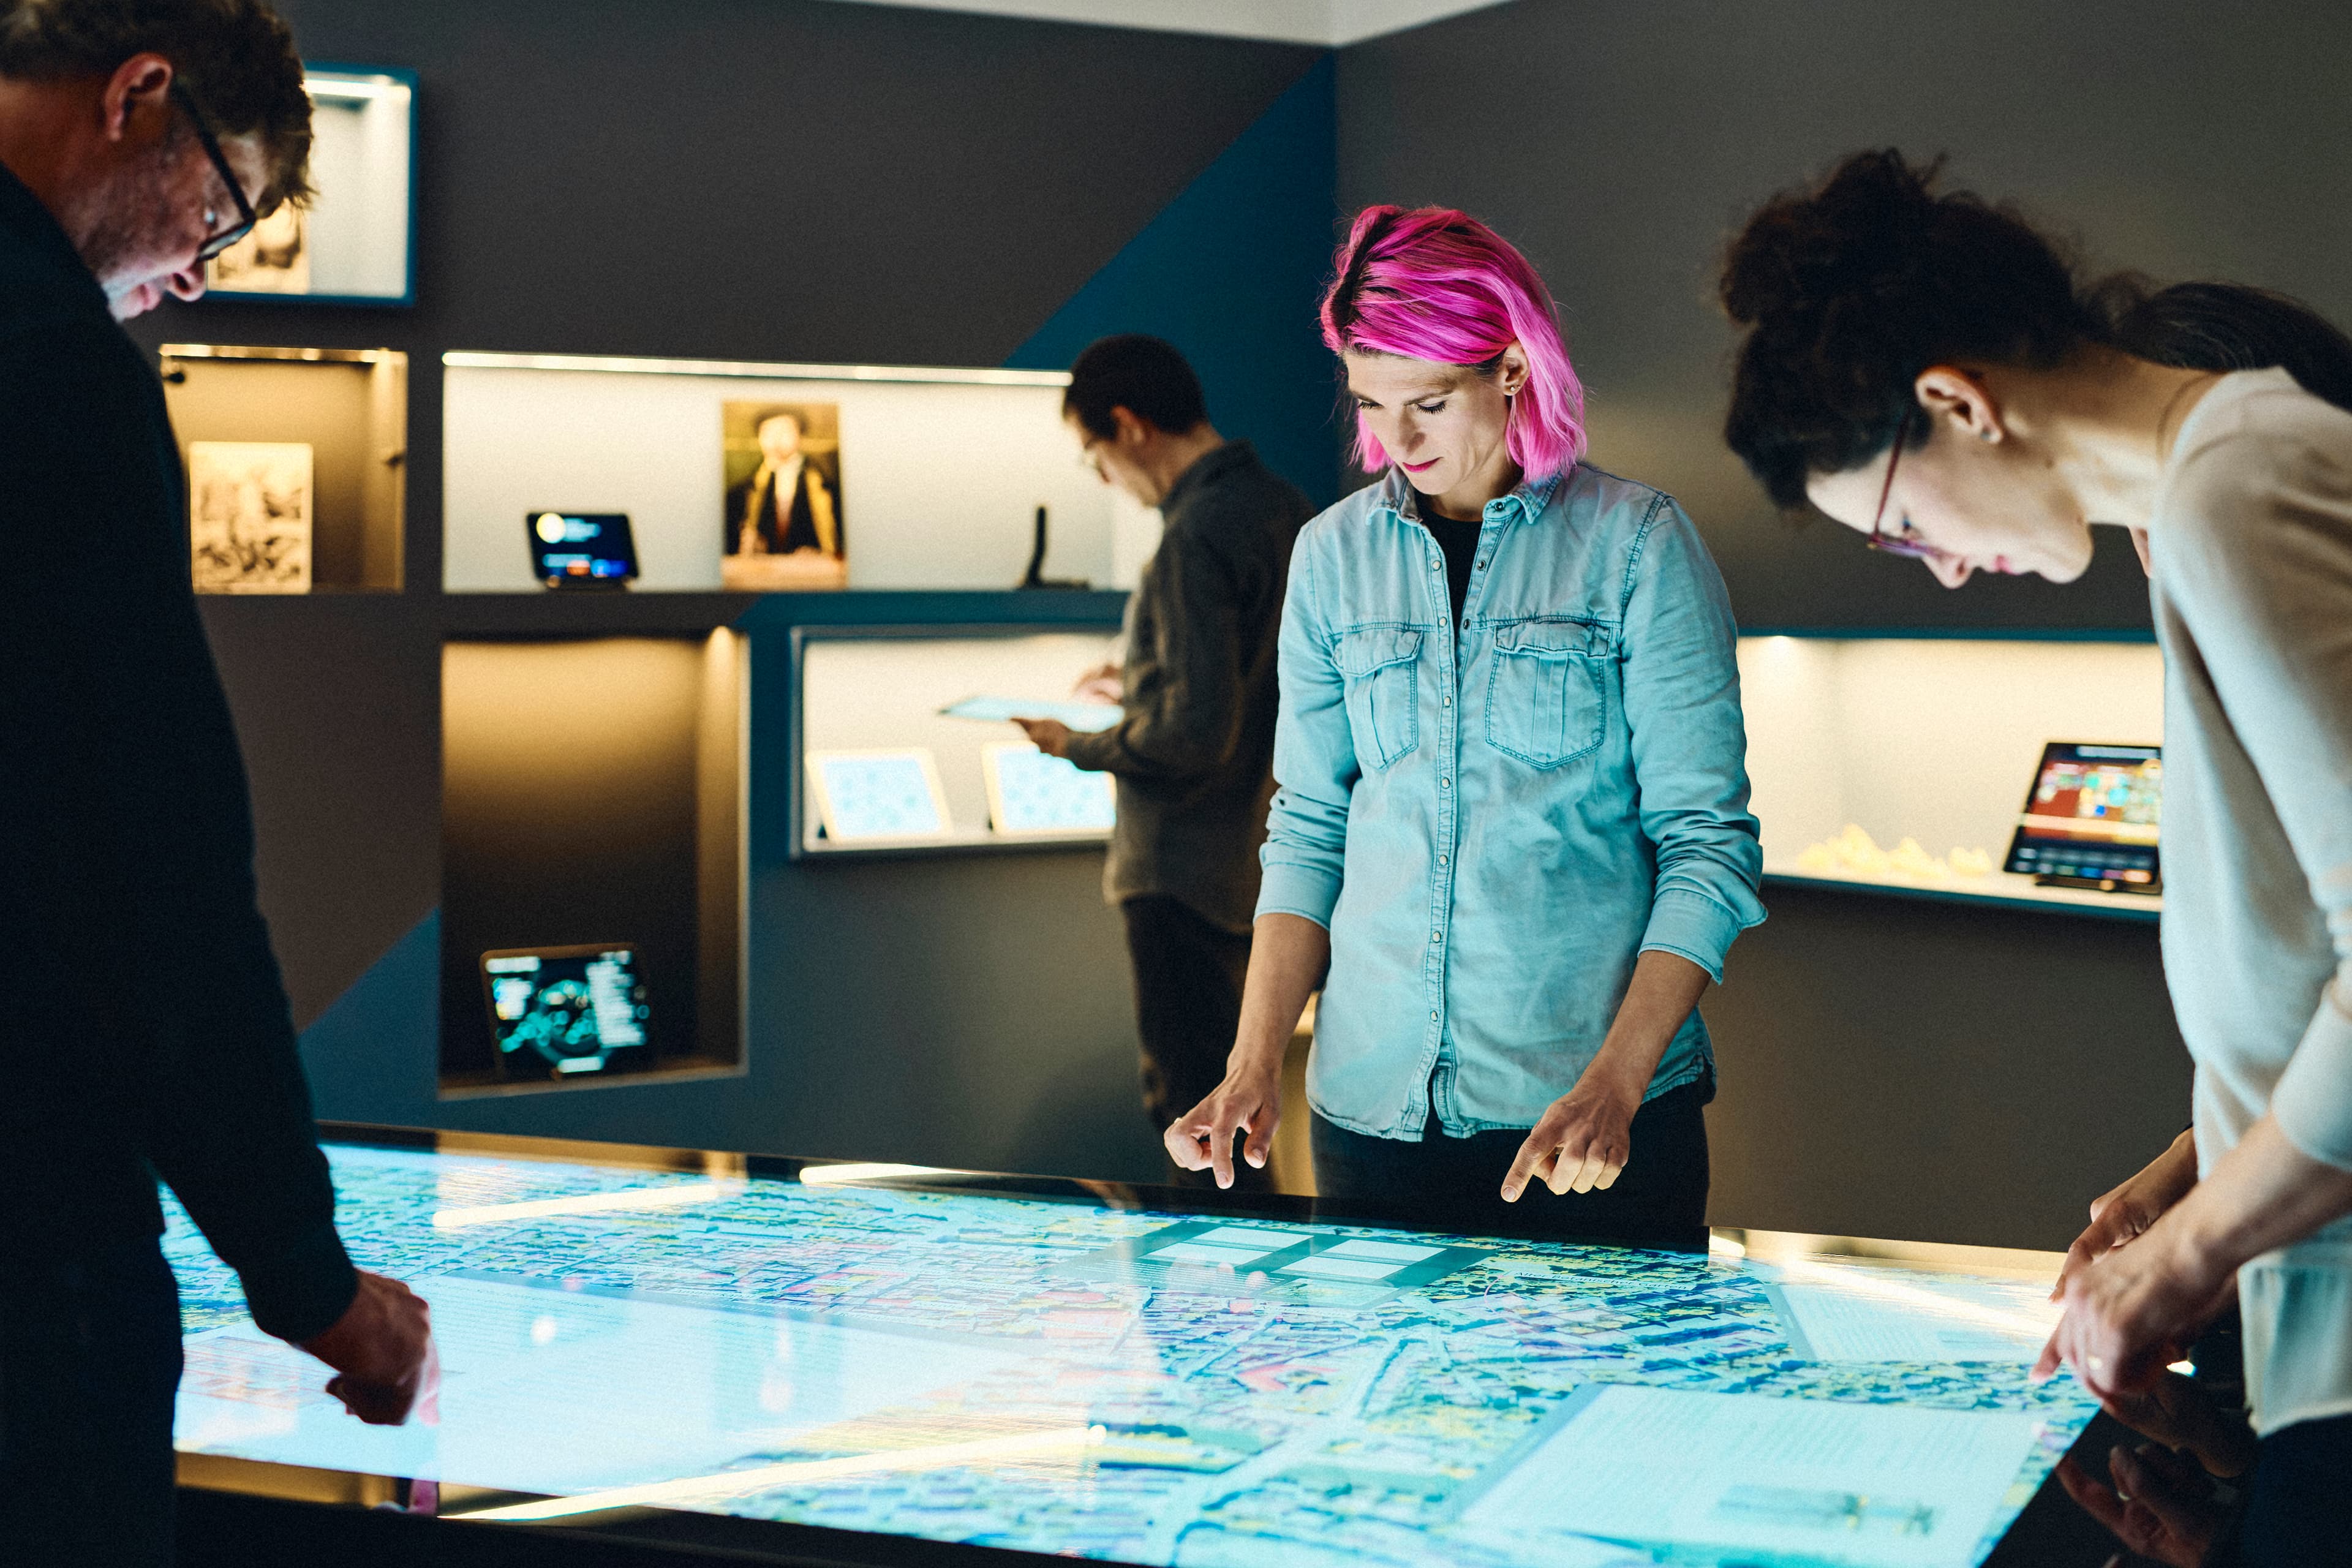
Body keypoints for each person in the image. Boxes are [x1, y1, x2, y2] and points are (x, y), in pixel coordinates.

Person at [1717, 148, 2352, 1566]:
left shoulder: (2239, 480)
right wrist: (2200, 1197)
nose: (1936, 563)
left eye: (1899, 522)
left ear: (1954, 403)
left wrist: (2180, 1259)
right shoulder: (2221, 490)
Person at [0, 4, 434, 1562]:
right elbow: (145, 877)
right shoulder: (52, 369)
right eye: (223, 215)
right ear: (138, 96)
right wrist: (310, 1280)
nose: (196, 269)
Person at [1162, 207, 1765, 1244]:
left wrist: (1614, 1087)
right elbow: (1311, 827)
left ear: (1516, 371)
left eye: (1430, 403)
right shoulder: (1329, 557)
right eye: (1370, 403)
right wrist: (1253, 1063)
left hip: (1587, 1126)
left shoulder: (1638, 548)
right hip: (1369, 1120)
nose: (1395, 442)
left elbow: (1709, 851)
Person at [1014, 334, 1311, 1187]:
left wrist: (1077, 743)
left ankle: (1215, 1319)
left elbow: (1192, 736)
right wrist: (1141, 676)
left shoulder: (1191, 535)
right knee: (1246, 1118)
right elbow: (1248, 683)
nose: (1105, 478)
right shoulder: (1284, 509)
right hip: (1260, 870)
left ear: (1128, 425)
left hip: (1182, 874)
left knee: (1199, 1125)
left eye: (1094, 456)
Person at [726, 407, 842, 561]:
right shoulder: (743, 491)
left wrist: (820, 553)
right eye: (767, 432)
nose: (775, 439)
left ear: (800, 435)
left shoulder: (828, 485)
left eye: (784, 431)